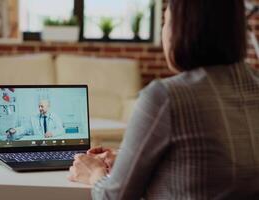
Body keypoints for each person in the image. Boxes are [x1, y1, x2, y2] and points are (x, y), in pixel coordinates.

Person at [68, 0, 259, 199]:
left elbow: (115, 196)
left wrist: (94, 173)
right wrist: (129, 159)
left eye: (166, 22)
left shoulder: (166, 97)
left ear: (183, 29)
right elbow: (209, 167)